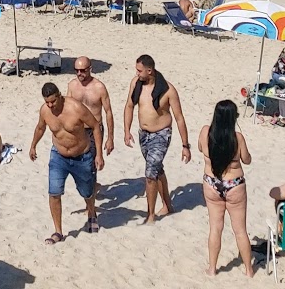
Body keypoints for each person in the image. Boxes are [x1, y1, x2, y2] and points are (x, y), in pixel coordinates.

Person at [28, 80, 103, 243]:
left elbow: (95, 126)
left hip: (81, 156)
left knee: (87, 192)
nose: (50, 105)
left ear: (60, 96)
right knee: (54, 192)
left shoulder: (76, 108)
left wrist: (98, 155)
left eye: (53, 101)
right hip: (58, 156)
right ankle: (58, 231)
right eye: (47, 102)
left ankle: (91, 213)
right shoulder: (45, 111)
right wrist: (33, 145)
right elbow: (40, 128)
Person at [124, 54, 190, 224]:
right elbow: (129, 106)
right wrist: (126, 131)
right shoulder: (136, 84)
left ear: (149, 70)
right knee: (157, 169)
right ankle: (168, 205)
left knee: (150, 174)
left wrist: (185, 145)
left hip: (161, 134)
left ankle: (150, 216)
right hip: (143, 134)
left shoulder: (168, 90)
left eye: (139, 70)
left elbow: (179, 118)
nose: (137, 73)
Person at [198, 99, 253, 277]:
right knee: (240, 230)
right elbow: (247, 159)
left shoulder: (205, 132)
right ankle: (248, 270)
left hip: (212, 182)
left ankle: (212, 269)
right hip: (234, 184)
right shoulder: (237, 138)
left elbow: (200, 148)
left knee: (215, 228)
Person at [65, 57, 114, 191]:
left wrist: (110, 138)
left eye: (82, 70)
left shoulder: (99, 87)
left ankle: (91, 195)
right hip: (77, 130)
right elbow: (67, 108)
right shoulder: (72, 85)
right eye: (76, 70)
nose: (79, 73)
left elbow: (108, 112)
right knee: (78, 164)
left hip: (94, 130)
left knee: (92, 164)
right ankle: (92, 186)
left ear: (90, 69)